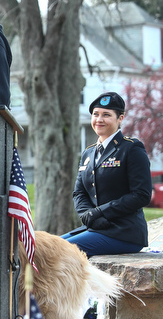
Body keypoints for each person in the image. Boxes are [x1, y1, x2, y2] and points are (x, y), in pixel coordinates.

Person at [62, 92, 152, 257]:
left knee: (58, 252)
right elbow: (79, 192)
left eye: (106, 115)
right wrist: (87, 215)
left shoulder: (131, 149)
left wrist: (101, 212)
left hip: (125, 232)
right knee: (50, 246)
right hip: (96, 228)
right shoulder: (89, 153)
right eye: (95, 114)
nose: (99, 119)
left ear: (120, 118)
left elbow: (142, 195)